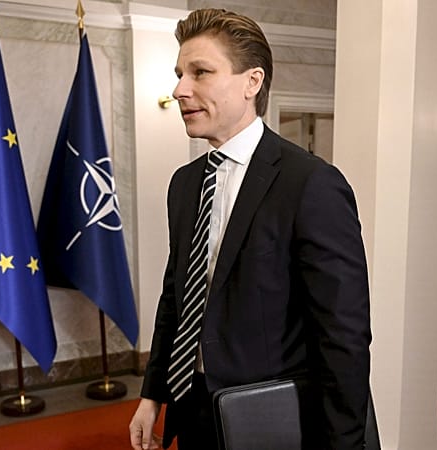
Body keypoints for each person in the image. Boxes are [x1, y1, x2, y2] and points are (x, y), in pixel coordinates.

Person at [129, 8, 372, 450]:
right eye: (180, 74)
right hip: (192, 407)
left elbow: (343, 337)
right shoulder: (184, 184)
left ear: (252, 82)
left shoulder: (311, 184)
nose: (180, 89)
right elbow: (176, 298)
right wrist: (152, 395)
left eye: (200, 72)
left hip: (272, 419)